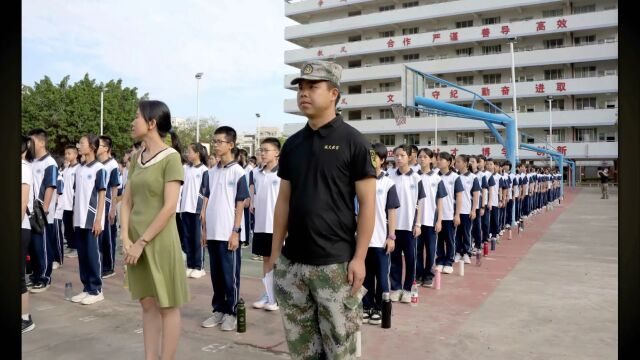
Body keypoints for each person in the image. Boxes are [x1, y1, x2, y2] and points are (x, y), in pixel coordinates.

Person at [267, 60, 376, 359]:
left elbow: (368, 205)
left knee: (342, 351)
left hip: (336, 266)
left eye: (313, 87)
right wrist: (276, 253)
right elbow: (284, 201)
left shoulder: (353, 142)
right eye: (301, 88)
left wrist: (360, 258)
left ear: (333, 94)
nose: (304, 93)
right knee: (301, 351)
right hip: (293, 265)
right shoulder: (293, 145)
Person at [120, 100, 189, 360]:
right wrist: (126, 237)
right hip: (135, 241)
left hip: (158, 241)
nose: (132, 121)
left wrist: (142, 242)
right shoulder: (137, 158)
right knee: (147, 303)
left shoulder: (171, 158)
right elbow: (126, 201)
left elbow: (169, 207)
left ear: (151, 123)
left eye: (136, 116)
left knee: (167, 304)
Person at [201, 126, 250, 332]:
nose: (215, 145)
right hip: (212, 232)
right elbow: (205, 202)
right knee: (217, 275)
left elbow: (241, 203)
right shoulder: (210, 172)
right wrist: (203, 231)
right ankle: (218, 310)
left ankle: (231, 312)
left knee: (231, 276)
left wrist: (235, 231)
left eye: (220, 141)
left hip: (228, 233)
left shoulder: (238, 171)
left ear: (231, 145)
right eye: (214, 141)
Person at [362, 142, 399, 324]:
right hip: (363, 240)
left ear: (382, 160)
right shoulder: (361, 181)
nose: (371, 160)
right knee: (365, 276)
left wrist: (391, 236)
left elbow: (391, 211)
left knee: (382, 278)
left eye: (374, 156)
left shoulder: (388, 183)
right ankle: (367, 306)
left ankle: (379, 308)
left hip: (380, 239)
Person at [70, 134, 108, 305]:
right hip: (79, 218)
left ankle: (96, 290)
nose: (79, 146)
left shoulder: (99, 168)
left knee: (93, 254)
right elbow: (77, 195)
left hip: (92, 218)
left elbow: (102, 195)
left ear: (92, 147)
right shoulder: (79, 169)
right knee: (83, 255)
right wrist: (73, 216)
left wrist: (99, 219)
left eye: (82, 143)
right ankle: (86, 288)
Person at [388, 144, 425, 302]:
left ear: (410, 157)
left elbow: (420, 202)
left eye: (402, 155)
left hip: (409, 226)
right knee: (394, 258)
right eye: (396, 155)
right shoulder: (390, 176)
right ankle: (396, 288)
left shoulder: (416, 178)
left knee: (411, 259)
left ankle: (408, 289)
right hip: (394, 226)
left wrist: (418, 224)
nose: (398, 158)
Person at [250, 137, 282, 311]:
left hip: (278, 226)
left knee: (278, 261)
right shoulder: (255, 173)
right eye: (260, 150)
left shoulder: (284, 172)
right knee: (266, 260)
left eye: (266, 150)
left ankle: (278, 296)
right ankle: (269, 294)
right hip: (261, 225)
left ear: (276, 153)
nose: (262, 153)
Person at [27, 129, 59, 293]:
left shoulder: (50, 163)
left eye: (31, 140)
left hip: (42, 213)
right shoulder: (31, 162)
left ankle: (45, 278)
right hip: (29, 212)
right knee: (33, 246)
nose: (29, 144)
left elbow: (50, 186)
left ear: (41, 142)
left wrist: (44, 210)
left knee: (43, 246)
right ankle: (35, 276)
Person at [416, 148, 445, 287]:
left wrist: (439, 220)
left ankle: (428, 275)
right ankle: (419, 274)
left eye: (425, 157)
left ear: (431, 159)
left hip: (431, 220)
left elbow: (440, 200)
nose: (422, 159)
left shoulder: (437, 178)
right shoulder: (414, 176)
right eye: (420, 157)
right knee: (417, 249)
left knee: (431, 249)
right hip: (417, 221)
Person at [180, 143, 210, 279]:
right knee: (187, 238)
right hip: (185, 207)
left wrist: (203, 210)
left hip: (196, 209)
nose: (188, 154)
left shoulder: (204, 170)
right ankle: (190, 265)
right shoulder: (185, 168)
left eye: (190, 151)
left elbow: (205, 192)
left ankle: (199, 266)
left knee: (197, 239)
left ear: (198, 153)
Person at [97, 136, 121, 279]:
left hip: (107, 204)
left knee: (108, 238)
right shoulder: (98, 164)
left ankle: (109, 267)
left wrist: (113, 208)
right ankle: (101, 264)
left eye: (99, 145)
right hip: (99, 205)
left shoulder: (112, 165)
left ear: (106, 148)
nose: (96, 147)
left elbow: (114, 187)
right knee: (100, 237)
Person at [453, 155, 480, 264]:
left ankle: (467, 253)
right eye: (455, 162)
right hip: (455, 210)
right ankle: (458, 252)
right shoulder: (454, 176)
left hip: (466, 209)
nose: (456, 164)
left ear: (465, 163)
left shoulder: (473, 177)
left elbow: (476, 195)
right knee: (457, 233)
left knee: (467, 232)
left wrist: (473, 210)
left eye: (458, 162)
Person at [21, 135, 36, 333]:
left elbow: (22, 201)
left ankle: (25, 318)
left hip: (21, 227)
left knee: (18, 275)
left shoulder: (24, 168)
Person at [62, 145, 80, 258]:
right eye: (66, 153)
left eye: (69, 153)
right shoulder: (66, 168)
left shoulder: (78, 168)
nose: (67, 155)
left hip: (73, 202)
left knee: (74, 226)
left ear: (75, 154)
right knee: (67, 225)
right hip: (65, 202)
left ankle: (76, 247)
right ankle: (70, 245)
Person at [469, 155, 485, 254]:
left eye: (473, 161)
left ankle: (478, 245)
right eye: (469, 161)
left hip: (477, 204)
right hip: (467, 204)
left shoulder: (480, 175)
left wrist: (483, 205)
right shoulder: (464, 175)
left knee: (476, 226)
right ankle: (469, 245)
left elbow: (484, 190)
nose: (471, 163)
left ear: (478, 164)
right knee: (468, 227)